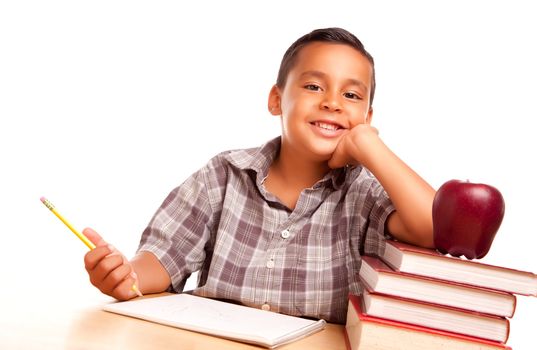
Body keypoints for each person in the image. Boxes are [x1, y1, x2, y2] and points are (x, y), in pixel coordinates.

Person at [83, 27, 435, 324]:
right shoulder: (223, 176)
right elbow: (164, 256)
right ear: (276, 100)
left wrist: (369, 146)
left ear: (368, 116)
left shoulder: (366, 195)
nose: (332, 102)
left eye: (351, 94)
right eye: (314, 87)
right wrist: (127, 275)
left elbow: (432, 228)